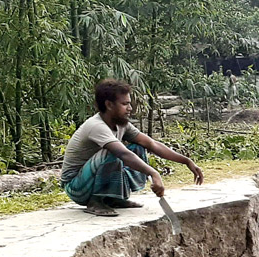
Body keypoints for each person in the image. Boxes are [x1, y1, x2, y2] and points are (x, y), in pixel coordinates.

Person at [60, 79, 204, 217]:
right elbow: (123, 154)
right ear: (109, 105)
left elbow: (151, 144)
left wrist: (186, 161)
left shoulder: (122, 124)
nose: (130, 108)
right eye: (125, 104)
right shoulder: (96, 126)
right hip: (76, 187)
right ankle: (95, 202)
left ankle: (114, 198)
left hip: (90, 180)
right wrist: (154, 174)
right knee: (113, 152)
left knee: (137, 147)